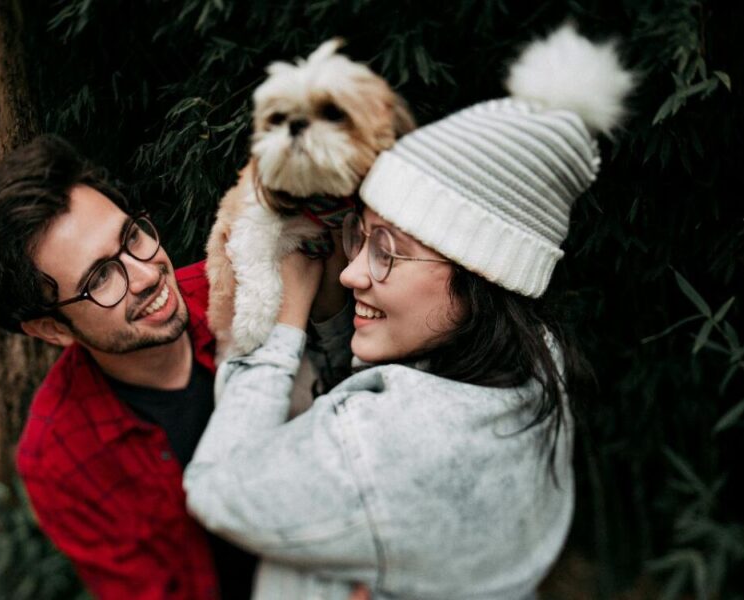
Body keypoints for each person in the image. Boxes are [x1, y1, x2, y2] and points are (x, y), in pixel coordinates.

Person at [184, 24, 631, 599]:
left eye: (388, 250)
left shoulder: (377, 450)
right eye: (359, 236)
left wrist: (283, 324)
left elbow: (218, 488)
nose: (350, 273)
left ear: (481, 280)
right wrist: (330, 321)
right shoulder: (532, 358)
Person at [0, 135, 259, 599]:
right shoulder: (59, 458)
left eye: (131, 236)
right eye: (100, 278)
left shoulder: (240, 287)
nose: (146, 273)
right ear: (51, 329)